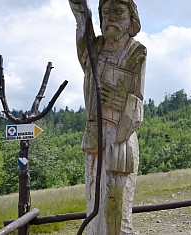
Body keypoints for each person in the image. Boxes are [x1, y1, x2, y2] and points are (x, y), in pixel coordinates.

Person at [69, 0, 147, 234]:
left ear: (131, 17)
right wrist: (80, 7)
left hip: (119, 140)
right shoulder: (94, 51)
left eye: (118, 11)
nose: (110, 17)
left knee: (115, 204)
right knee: (94, 198)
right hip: (95, 139)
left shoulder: (136, 52)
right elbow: (82, 20)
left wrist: (117, 100)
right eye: (105, 12)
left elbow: (137, 105)